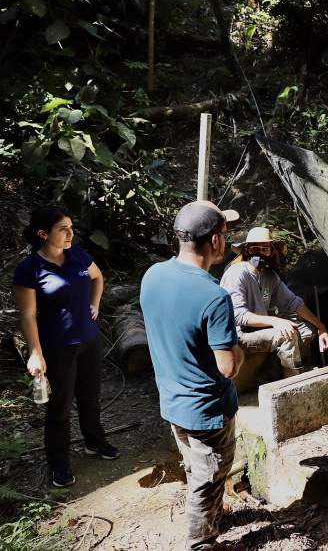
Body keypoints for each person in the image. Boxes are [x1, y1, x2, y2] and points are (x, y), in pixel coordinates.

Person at [140, 201, 247, 551]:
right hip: (207, 411)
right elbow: (228, 367)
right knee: (208, 476)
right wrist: (240, 347)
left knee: (197, 468)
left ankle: (212, 512)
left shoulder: (153, 275)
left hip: (173, 402)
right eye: (226, 236)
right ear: (215, 241)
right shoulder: (213, 296)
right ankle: (201, 543)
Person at [12, 205, 120, 488]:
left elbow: (98, 277)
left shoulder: (78, 255)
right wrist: (35, 353)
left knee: (90, 397)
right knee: (59, 408)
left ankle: (94, 442)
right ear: (43, 234)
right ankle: (58, 464)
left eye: (71, 227)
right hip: (57, 346)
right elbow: (27, 315)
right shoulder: (29, 270)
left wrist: (94, 304)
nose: (71, 233)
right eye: (63, 229)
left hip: (90, 340)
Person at [219, 227, 328, 375]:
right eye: (255, 248)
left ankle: (271, 372)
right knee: (286, 335)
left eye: (265, 248)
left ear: (271, 252)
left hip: (262, 330)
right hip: (239, 334)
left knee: (308, 329)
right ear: (246, 250)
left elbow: (293, 302)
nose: (260, 252)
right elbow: (237, 315)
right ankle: (294, 381)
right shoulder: (237, 273)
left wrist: (321, 327)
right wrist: (275, 321)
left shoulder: (269, 276)